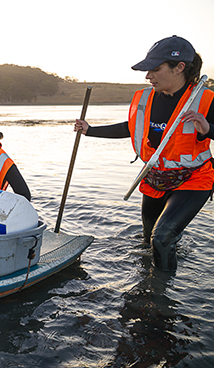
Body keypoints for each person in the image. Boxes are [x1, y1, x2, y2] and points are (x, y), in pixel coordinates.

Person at [74, 36, 214, 272]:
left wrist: (208, 128)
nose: (148, 76)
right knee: (149, 239)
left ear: (179, 67)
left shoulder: (206, 99)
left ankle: (162, 300)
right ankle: (154, 275)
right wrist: (90, 131)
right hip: (155, 178)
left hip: (194, 180)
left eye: (155, 69)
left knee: (162, 238)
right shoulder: (145, 98)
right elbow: (130, 128)